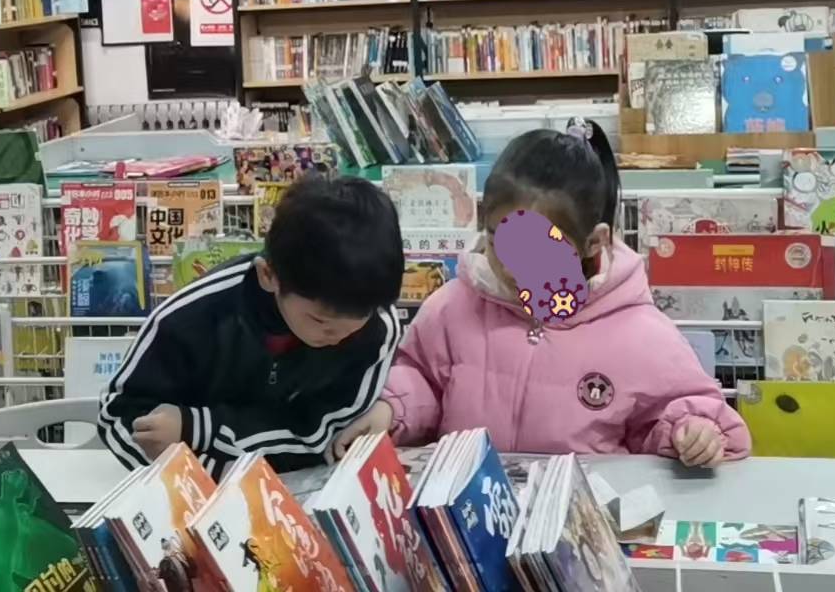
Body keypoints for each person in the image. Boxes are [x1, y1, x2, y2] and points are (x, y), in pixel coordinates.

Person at [334, 120, 750, 467]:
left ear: (593, 242)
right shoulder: (452, 306)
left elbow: (676, 409)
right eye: (498, 242)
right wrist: (392, 409)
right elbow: (422, 377)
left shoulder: (641, 333)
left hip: (580, 520)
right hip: (472, 512)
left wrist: (691, 430)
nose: (513, 267)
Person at [98, 174, 404, 475]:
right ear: (268, 276)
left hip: (293, 483)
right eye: (320, 320)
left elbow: (325, 432)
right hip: (188, 487)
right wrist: (198, 473)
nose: (337, 337)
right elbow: (119, 415)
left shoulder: (378, 325)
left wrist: (198, 428)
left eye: (355, 323)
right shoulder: (193, 316)